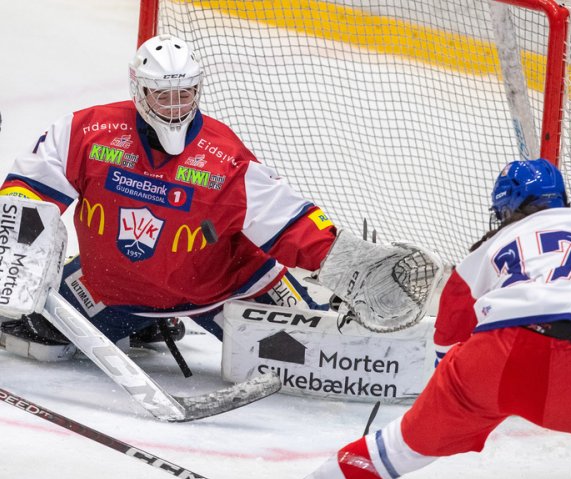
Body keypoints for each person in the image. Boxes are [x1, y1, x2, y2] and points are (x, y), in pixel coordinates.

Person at [251, 158, 571, 479]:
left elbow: (448, 333)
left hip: (484, 361)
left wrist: (457, 394)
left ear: (503, 208)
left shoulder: (488, 247)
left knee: (400, 447)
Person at [0, 34, 336, 358]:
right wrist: (12, 253)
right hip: (115, 291)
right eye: (163, 96)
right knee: (36, 336)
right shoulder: (87, 132)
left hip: (226, 292)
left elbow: (289, 222)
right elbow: (27, 190)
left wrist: (344, 263)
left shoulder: (225, 159)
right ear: (140, 90)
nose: (175, 107)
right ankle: (142, 323)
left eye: (185, 94)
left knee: (315, 354)